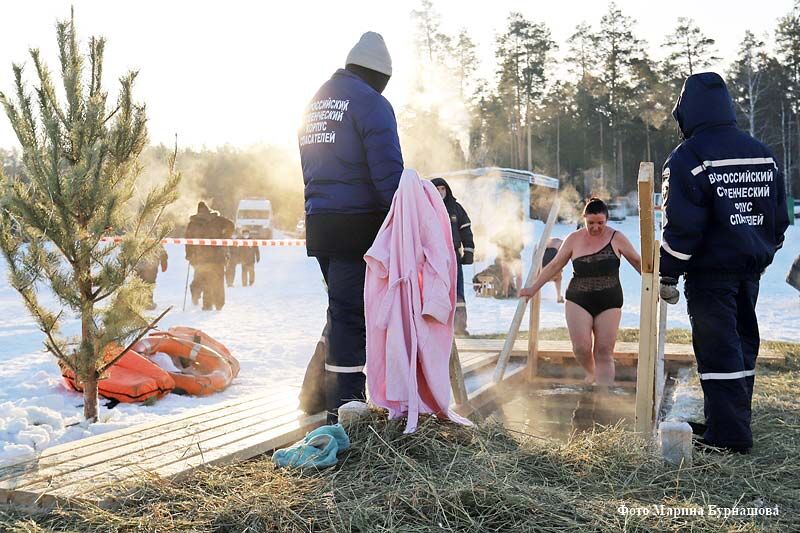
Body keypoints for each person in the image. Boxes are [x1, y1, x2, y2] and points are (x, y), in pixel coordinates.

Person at [658, 72, 789, 454]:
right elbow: (779, 220)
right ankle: (729, 423)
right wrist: (761, 251)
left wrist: (668, 273)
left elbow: (682, 226)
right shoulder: (762, 154)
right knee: (743, 346)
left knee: (718, 353)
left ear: (687, 111)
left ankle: (729, 437)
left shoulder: (689, 157)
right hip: (749, 271)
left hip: (710, 274)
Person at [298, 31, 403, 422]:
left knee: (340, 309)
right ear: (380, 76)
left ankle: (313, 397)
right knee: (351, 316)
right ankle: (344, 409)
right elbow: (388, 174)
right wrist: (405, 218)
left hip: (320, 223)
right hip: (357, 227)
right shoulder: (372, 103)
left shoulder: (317, 101)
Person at [519, 198, 641, 386]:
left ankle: (605, 395)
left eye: (600, 223)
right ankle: (592, 373)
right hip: (579, 299)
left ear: (607, 220)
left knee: (604, 351)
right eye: (590, 223)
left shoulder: (617, 238)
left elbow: (638, 262)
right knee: (581, 348)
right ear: (584, 219)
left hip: (609, 300)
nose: (595, 227)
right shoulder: (574, 239)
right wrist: (533, 289)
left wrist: (654, 287)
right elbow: (555, 265)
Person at [430, 177, 474, 335]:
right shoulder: (426, 208)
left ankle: (460, 327)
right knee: (436, 291)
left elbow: (466, 231)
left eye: (443, 189)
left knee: (457, 291)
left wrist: (468, 252)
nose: (440, 192)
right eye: (437, 189)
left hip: (453, 256)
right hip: (433, 258)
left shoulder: (455, 208)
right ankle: (437, 327)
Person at [185, 201, 234, 310]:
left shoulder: (193, 223)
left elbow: (188, 241)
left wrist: (189, 255)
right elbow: (231, 225)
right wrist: (224, 238)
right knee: (218, 280)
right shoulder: (217, 220)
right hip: (217, 256)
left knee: (203, 280)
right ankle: (219, 304)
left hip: (200, 257)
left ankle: (206, 304)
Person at [134, 245, 168, 310]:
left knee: (140, 283)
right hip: (151, 264)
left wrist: (164, 259)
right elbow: (160, 247)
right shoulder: (154, 239)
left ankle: (141, 301)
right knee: (148, 283)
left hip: (141, 264)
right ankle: (146, 302)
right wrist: (164, 260)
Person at [542, 237, 565, 303]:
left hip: (540, 270)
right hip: (549, 270)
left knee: (558, 275)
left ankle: (559, 297)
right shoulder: (561, 243)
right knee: (558, 278)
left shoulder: (546, 242)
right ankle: (559, 297)